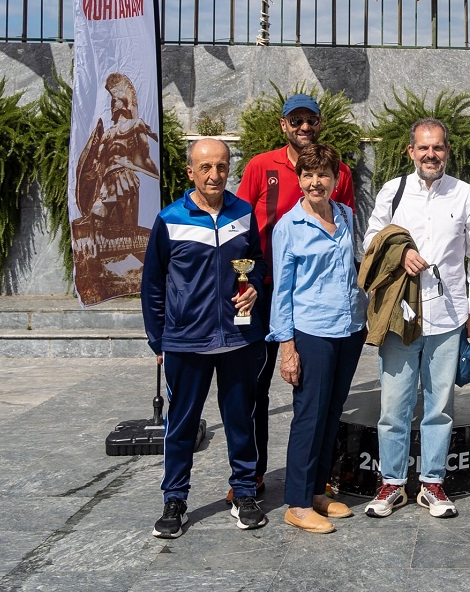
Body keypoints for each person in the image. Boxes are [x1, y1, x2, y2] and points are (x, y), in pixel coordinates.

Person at [361, 118, 470, 520]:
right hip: (401, 317)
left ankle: (433, 483)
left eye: (437, 148)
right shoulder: (393, 191)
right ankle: (392, 483)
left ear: (447, 151)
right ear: (411, 151)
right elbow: (369, 242)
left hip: (448, 316)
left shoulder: (464, 193)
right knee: (393, 407)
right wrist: (399, 254)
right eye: (423, 148)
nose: (430, 155)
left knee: (440, 407)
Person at [141, 137, 266, 539]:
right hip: (186, 340)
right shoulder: (170, 219)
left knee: (240, 421)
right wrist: (158, 340)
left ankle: (244, 492)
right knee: (181, 424)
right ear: (190, 171)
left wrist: (254, 287)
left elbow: (256, 262)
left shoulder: (243, 213)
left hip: (238, 338)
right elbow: (153, 284)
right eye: (206, 167)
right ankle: (174, 499)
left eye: (222, 166)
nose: (215, 175)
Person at [235, 92, 356, 504]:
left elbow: (347, 241)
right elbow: (239, 225)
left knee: (321, 402)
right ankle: (250, 478)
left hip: (320, 301)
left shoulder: (339, 180)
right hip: (265, 290)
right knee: (255, 389)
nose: (304, 127)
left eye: (311, 120)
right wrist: (243, 283)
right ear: (284, 124)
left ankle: (315, 486)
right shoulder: (261, 166)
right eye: (296, 120)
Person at [267, 144, 367, 534]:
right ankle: (297, 502)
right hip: (313, 332)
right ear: (298, 179)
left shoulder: (346, 216)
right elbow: (282, 292)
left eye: (323, 174)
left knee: (331, 412)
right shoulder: (289, 227)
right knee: (309, 416)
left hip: (349, 329)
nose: (315, 182)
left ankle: (317, 490)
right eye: (308, 175)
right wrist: (287, 347)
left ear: (335, 178)